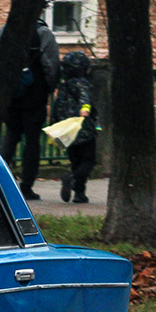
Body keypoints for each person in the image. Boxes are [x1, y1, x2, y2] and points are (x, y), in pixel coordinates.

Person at [0, 15, 60, 200]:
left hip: (11, 95)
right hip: (35, 94)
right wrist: (49, 88)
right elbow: (51, 65)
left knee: (11, 136)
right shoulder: (44, 33)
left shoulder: (5, 30)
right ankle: (26, 186)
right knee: (32, 142)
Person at [52, 50, 98, 203]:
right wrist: (86, 109)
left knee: (76, 161)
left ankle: (79, 193)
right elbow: (85, 98)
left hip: (68, 130)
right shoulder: (82, 83)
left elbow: (57, 106)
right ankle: (73, 180)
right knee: (88, 160)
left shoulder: (64, 86)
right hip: (83, 128)